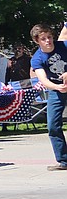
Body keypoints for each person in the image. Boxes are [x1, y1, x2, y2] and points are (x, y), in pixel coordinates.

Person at [29, 23, 67, 171]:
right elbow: (43, 80)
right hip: (56, 89)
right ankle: (64, 160)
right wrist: (57, 87)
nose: (48, 41)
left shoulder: (63, 45)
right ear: (37, 41)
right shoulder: (37, 59)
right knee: (52, 125)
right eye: (43, 38)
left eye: (49, 37)